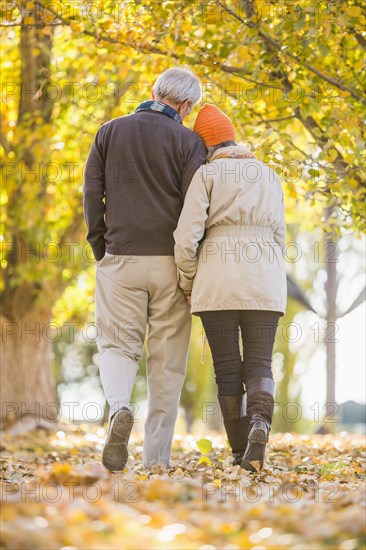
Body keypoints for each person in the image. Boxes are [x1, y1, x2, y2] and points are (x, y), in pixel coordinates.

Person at [83, 68, 206, 471]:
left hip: (120, 258)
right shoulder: (191, 142)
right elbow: (195, 210)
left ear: (153, 92)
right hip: (171, 262)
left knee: (117, 345)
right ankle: (157, 460)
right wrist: (190, 268)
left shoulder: (110, 131)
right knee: (167, 362)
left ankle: (120, 408)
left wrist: (100, 245)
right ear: (185, 106)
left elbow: (91, 190)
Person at [174, 104, 287, 471]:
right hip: (265, 282)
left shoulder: (206, 175)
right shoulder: (270, 175)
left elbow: (186, 236)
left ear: (206, 146)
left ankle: (241, 452)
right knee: (259, 362)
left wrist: (188, 279)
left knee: (226, 368)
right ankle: (260, 422)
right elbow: (281, 238)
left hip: (216, 282)